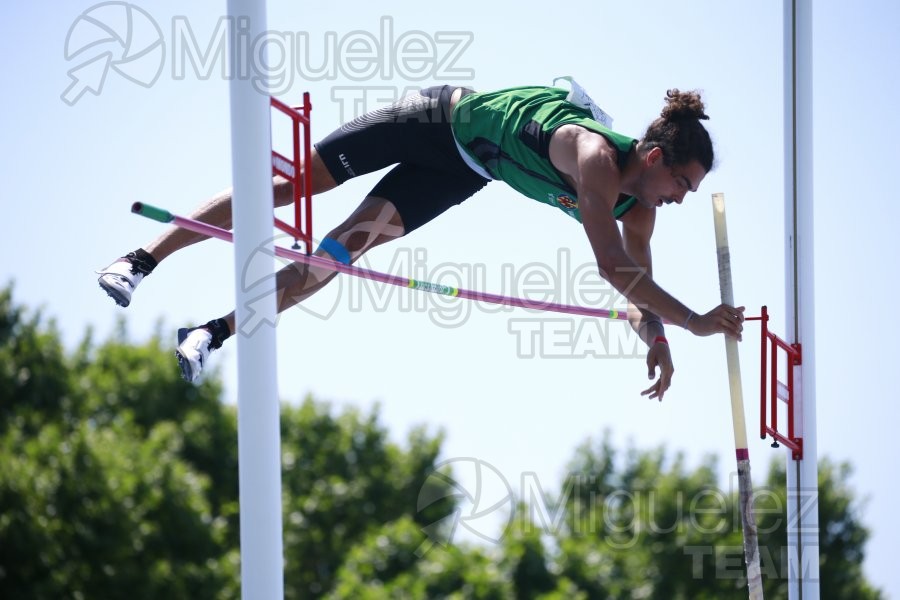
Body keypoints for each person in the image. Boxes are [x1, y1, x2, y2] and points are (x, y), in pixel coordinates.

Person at [97, 83, 744, 399]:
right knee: (293, 187)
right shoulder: (597, 160)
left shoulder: (640, 214)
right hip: (432, 121)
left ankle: (209, 331)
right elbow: (612, 270)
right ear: (655, 156)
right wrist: (691, 322)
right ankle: (141, 259)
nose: (681, 199)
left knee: (339, 255)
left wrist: (657, 336)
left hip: (460, 173)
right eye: (682, 184)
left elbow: (637, 287)